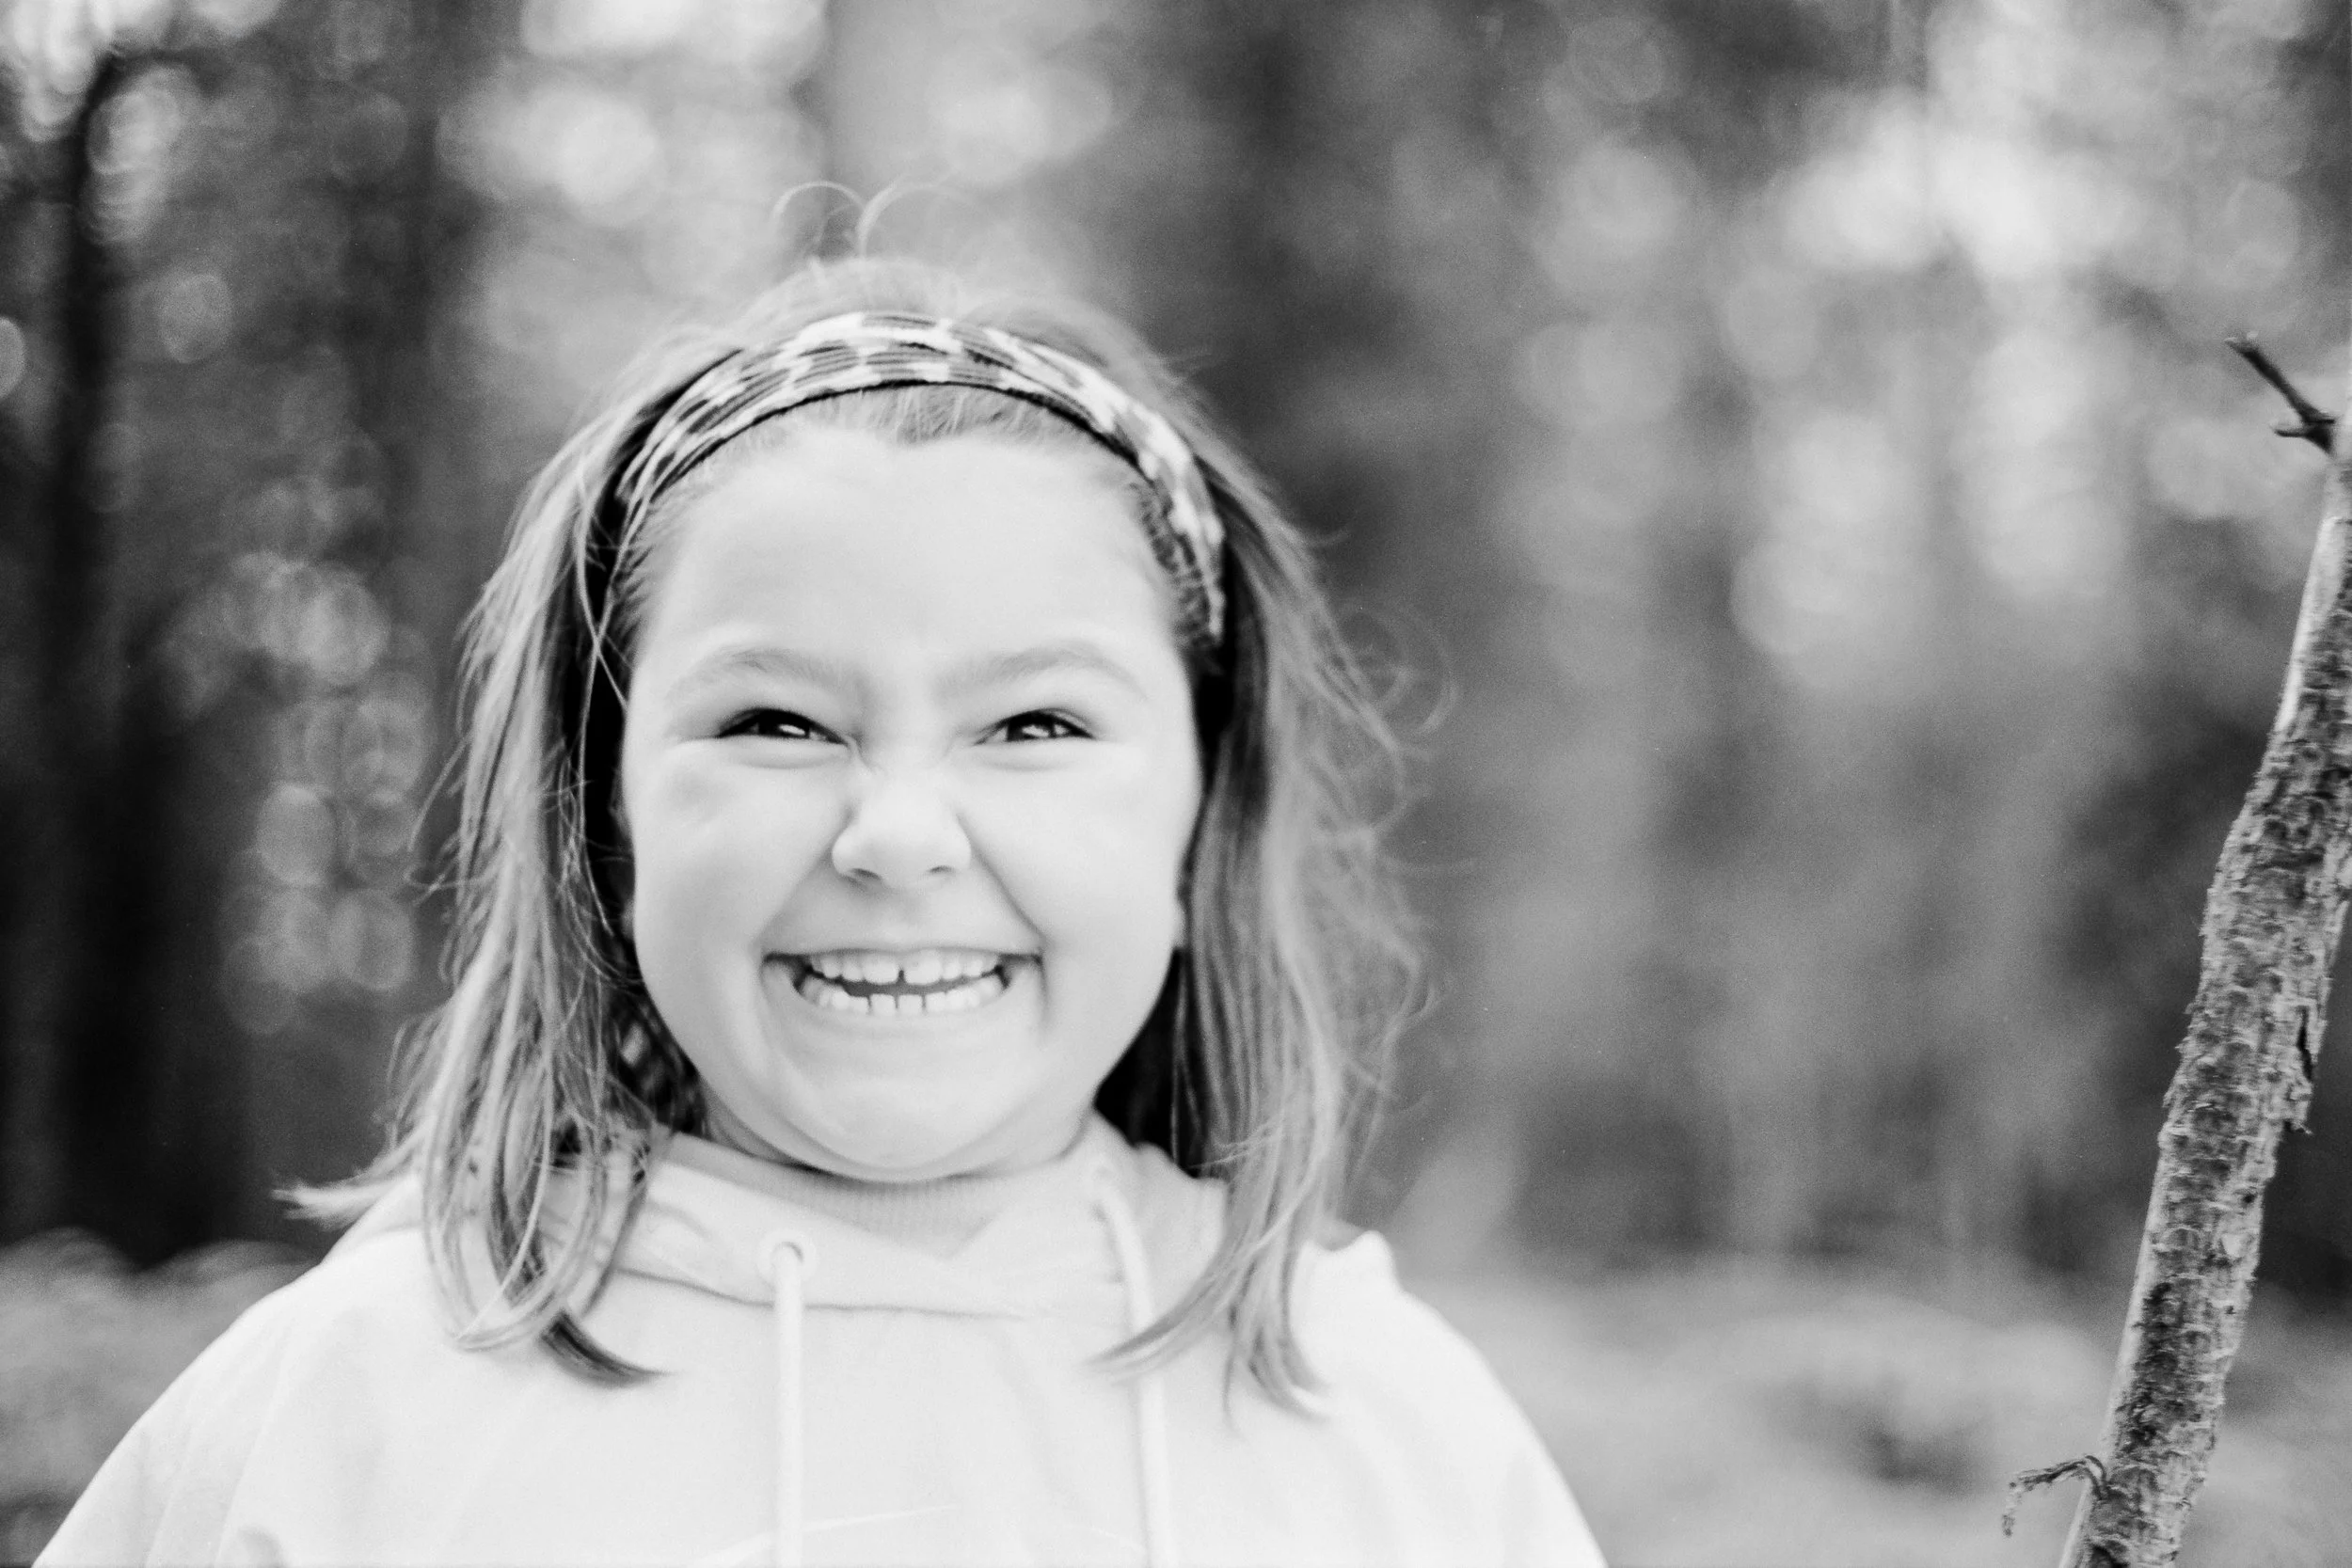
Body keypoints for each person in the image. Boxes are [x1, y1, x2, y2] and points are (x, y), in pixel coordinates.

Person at [40, 256, 1607, 1568]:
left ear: (1200, 816)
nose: (899, 835)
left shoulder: (1396, 1440)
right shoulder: (339, 1416)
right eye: (779, 723)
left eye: (1037, 726)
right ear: (609, 815)